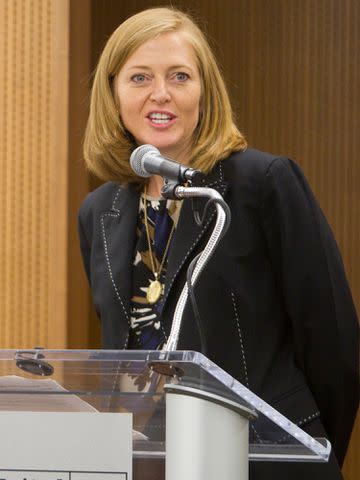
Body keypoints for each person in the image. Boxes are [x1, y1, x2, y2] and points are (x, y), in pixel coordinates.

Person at [78, 7, 359, 479]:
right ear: (113, 95)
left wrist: (306, 454)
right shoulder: (99, 212)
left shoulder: (262, 184)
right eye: (139, 77)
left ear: (205, 93)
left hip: (266, 461)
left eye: (180, 76)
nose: (159, 94)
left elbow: (334, 342)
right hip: (155, 465)